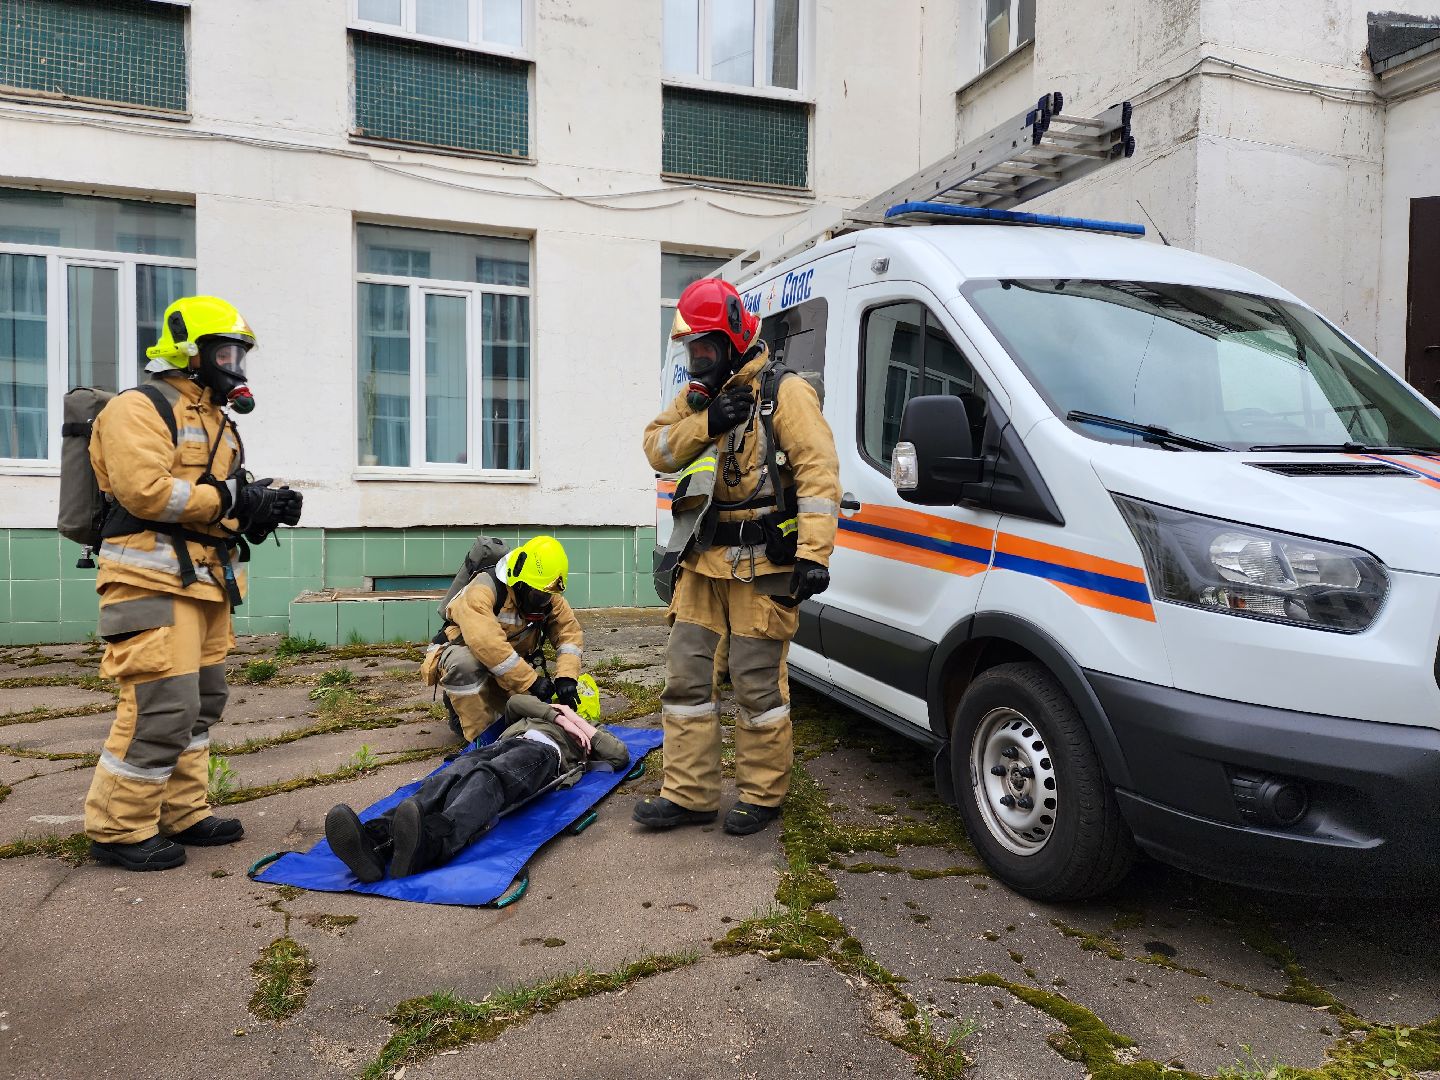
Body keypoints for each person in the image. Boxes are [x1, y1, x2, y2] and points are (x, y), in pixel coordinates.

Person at [85, 296, 302, 871]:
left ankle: (183, 812)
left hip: (206, 581)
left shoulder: (218, 423)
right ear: (189, 352)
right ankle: (118, 828)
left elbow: (215, 506)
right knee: (161, 704)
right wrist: (234, 498)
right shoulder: (138, 408)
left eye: (239, 355)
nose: (235, 365)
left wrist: (261, 510)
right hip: (148, 580)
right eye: (224, 352)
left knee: (202, 703)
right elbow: (146, 492)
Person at [636, 277, 840, 836]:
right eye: (690, 350)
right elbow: (656, 448)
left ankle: (762, 795)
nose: (696, 360)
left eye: (704, 348)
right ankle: (689, 794)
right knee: (686, 678)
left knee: (756, 685)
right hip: (702, 563)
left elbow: (819, 471)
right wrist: (708, 421)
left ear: (731, 338)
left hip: (762, 566)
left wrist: (814, 554)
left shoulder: (784, 392)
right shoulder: (699, 397)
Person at [324, 695, 630, 880]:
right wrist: (556, 714)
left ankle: (433, 843)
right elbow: (514, 702)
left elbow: (619, 755)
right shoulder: (539, 712)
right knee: (451, 774)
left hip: (543, 755)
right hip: (504, 743)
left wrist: (578, 722)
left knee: (489, 777)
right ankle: (376, 841)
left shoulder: (591, 732)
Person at [422, 535, 584, 742]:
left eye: (547, 596)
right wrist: (531, 681)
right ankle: (480, 740)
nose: (543, 603)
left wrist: (566, 677)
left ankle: (489, 708)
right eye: (538, 596)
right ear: (520, 583)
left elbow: (569, 633)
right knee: (465, 665)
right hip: (466, 655)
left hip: (504, 666)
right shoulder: (482, 589)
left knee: (525, 718)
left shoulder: (545, 592)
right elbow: (487, 644)